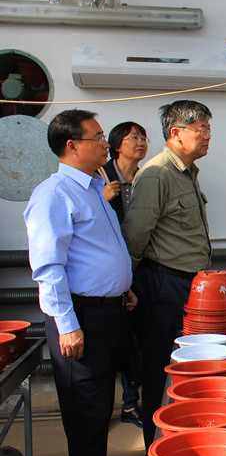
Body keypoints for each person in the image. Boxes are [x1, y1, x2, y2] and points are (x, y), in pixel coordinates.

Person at [24, 109, 137, 456]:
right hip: (81, 317)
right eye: (98, 138)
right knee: (87, 416)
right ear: (72, 146)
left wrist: (123, 288)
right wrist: (68, 326)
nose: (106, 144)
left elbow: (97, 251)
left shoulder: (93, 189)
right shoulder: (53, 194)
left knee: (102, 406)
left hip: (111, 312)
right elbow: (48, 267)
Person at [122, 100, 212, 449]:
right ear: (176, 133)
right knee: (160, 371)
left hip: (189, 286)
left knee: (192, 370)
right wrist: (127, 287)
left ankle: (189, 445)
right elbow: (135, 236)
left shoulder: (187, 172)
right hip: (163, 286)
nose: (207, 136)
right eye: (201, 129)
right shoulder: (156, 174)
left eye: (208, 129)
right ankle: (156, 451)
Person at [101, 121, 149, 428]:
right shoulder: (100, 178)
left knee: (138, 336)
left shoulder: (148, 177)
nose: (141, 142)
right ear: (118, 145)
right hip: (109, 271)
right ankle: (110, 406)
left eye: (144, 137)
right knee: (112, 340)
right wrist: (102, 200)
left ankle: (131, 402)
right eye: (134, 137)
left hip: (142, 267)